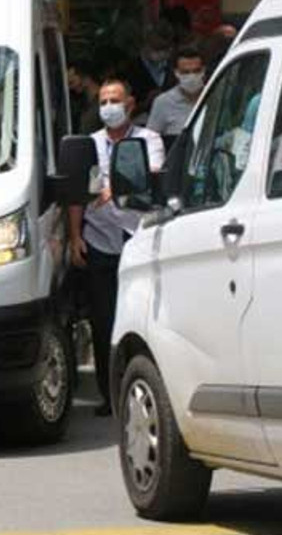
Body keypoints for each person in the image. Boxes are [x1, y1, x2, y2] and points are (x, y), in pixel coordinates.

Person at [67, 80, 164, 418]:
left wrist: (115, 186)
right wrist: (75, 235)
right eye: (104, 101)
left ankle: (143, 390)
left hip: (137, 238)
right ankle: (109, 397)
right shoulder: (89, 145)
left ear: (131, 104)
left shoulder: (147, 140)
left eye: (116, 100)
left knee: (141, 317)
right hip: (99, 239)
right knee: (102, 319)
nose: (109, 106)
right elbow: (78, 194)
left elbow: (151, 178)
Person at [147, 49, 207, 149]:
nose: (191, 76)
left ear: (204, 70)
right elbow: (151, 141)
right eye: (185, 72)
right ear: (176, 73)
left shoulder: (215, 97)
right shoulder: (162, 102)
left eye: (196, 71)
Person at [124, 20, 179, 118]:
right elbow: (124, 109)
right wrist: (146, 103)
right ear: (146, 43)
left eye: (164, 48)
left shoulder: (173, 66)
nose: (161, 52)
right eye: (156, 48)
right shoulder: (130, 69)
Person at [67, 61, 103, 135]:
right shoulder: (81, 104)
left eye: (72, 82)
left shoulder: (105, 102)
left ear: (86, 78)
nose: (70, 87)